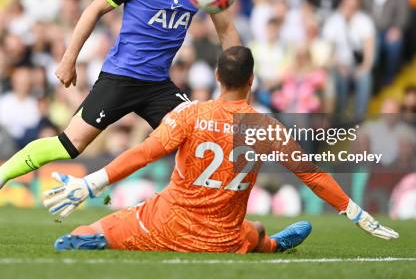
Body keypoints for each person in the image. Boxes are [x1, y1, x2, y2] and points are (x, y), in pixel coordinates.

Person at [0, 0, 241, 225]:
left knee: (201, 138)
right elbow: (93, 10)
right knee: (69, 145)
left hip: (158, 85)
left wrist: (238, 92)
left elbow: (226, 31)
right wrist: (69, 60)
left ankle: (207, 223)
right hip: (120, 78)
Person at [43, 47, 398, 253]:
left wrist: (91, 184)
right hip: (221, 238)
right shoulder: (267, 128)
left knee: (91, 230)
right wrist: (355, 212)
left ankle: (88, 239)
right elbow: (313, 175)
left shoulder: (189, 114)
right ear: (252, 80)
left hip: (164, 225)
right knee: (255, 230)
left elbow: (144, 154)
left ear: (216, 76)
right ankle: (273, 245)